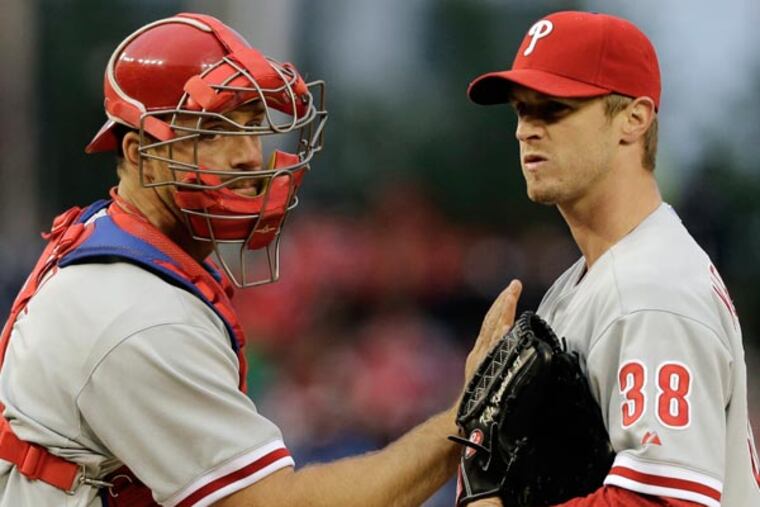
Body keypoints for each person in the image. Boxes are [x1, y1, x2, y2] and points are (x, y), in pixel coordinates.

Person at [0, 12, 523, 507]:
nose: (249, 154)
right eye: (213, 130)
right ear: (138, 154)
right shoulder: (135, 313)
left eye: (252, 125)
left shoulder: (116, 239)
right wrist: (463, 420)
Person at [465, 10, 759, 507]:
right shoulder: (590, 280)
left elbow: (664, 503)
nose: (525, 131)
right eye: (521, 111)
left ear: (633, 119)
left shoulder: (653, 291)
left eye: (553, 109)